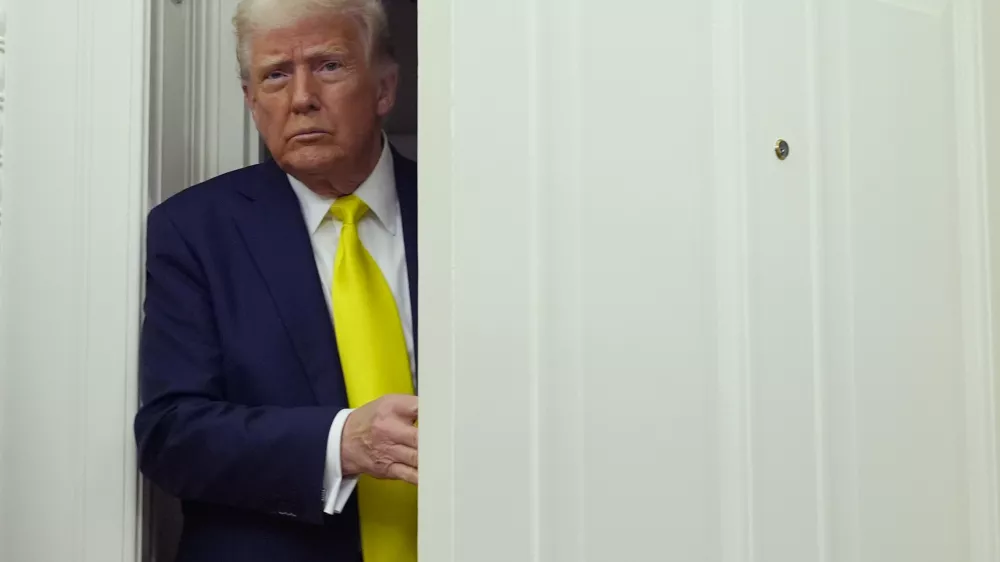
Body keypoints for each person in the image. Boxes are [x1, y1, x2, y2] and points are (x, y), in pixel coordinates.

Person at [134, 1, 418, 560]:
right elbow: (172, 433)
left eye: (329, 65)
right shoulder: (194, 230)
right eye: (276, 75)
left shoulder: (467, 212)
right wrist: (342, 443)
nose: (301, 97)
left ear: (385, 88)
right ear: (251, 101)